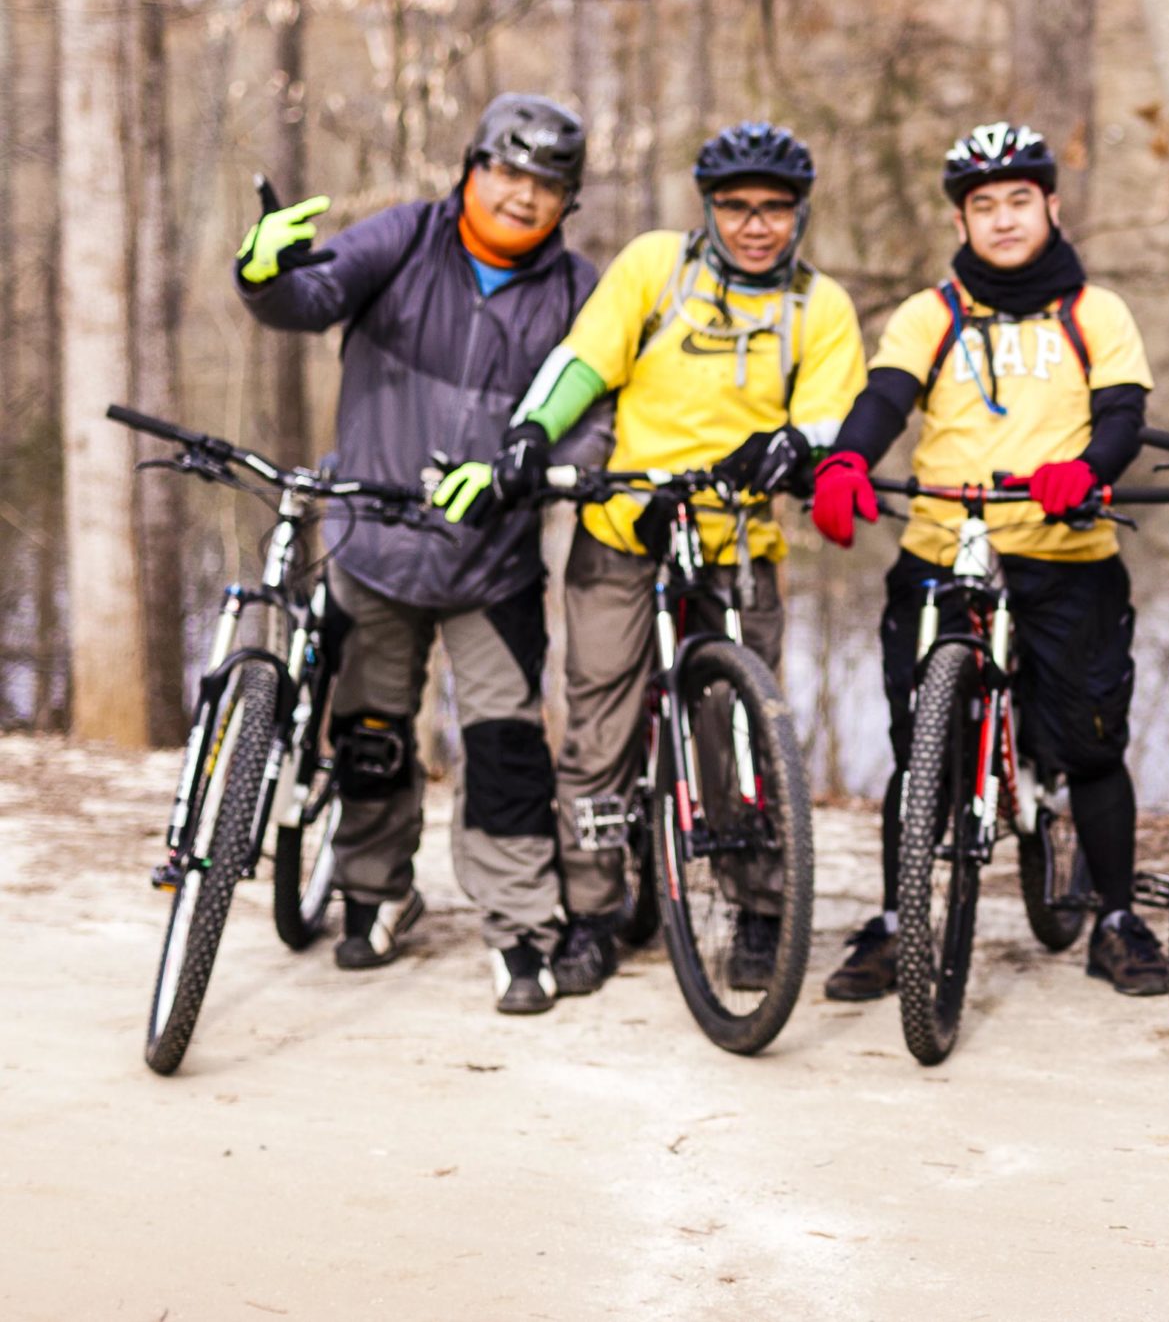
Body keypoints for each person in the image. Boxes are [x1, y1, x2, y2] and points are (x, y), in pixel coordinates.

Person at [437, 121, 864, 1008]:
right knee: (597, 728)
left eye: (774, 210)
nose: (754, 225)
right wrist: (528, 433)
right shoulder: (655, 269)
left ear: (800, 214)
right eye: (736, 207)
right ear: (708, 208)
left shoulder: (817, 306)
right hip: (625, 524)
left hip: (739, 535)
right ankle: (594, 912)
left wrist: (793, 444)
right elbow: (584, 362)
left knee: (741, 737)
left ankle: (756, 907)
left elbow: (832, 414)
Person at [233, 93, 598, 1013]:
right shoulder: (406, 237)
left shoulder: (577, 292)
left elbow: (595, 415)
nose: (522, 196)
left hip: (493, 563)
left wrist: (530, 475)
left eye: (546, 184)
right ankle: (373, 891)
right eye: (507, 172)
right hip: (374, 543)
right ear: (472, 168)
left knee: (507, 747)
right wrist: (263, 268)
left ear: (567, 202)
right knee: (368, 732)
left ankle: (520, 927)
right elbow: (307, 296)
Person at [807, 122, 1167, 998]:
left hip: (1065, 551)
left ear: (1050, 203)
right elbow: (886, 397)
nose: (1002, 220)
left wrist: (1085, 470)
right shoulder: (932, 313)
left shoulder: (1095, 312)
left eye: (1017, 201)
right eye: (982, 206)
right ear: (961, 220)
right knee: (915, 752)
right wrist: (849, 457)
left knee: (1089, 748)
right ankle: (897, 924)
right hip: (942, 545)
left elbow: (1122, 415)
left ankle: (1116, 918)